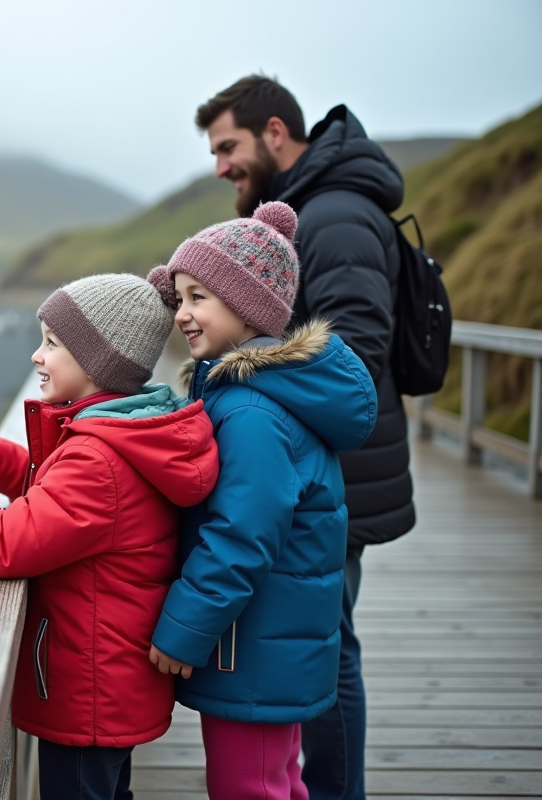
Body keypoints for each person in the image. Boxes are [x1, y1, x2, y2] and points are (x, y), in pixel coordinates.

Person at [0, 273, 219, 800]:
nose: (36, 356)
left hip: (87, 689)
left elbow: (5, 542)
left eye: (53, 343)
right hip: (109, 681)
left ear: (97, 363)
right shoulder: (119, 436)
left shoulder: (97, 459)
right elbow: (53, 499)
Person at [194, 75, 415, 799]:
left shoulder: (336, 214)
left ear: (275, 133)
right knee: (317, 642)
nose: (220, 166)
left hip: (332, 474)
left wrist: (255, 383)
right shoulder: (318, 210)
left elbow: (357, 352)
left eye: (228, 146)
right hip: (323, 469)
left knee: (325, 648)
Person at [145, 201, 377, 800]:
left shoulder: (250, 412)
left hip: (251, 648)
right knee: (276, 780)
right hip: (267, 643)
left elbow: (242, 536)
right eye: (179, 297)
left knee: (249, 787)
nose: (182, 313)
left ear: (247, 306)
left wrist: (184, 627)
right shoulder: (255, 393)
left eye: (198, 297)